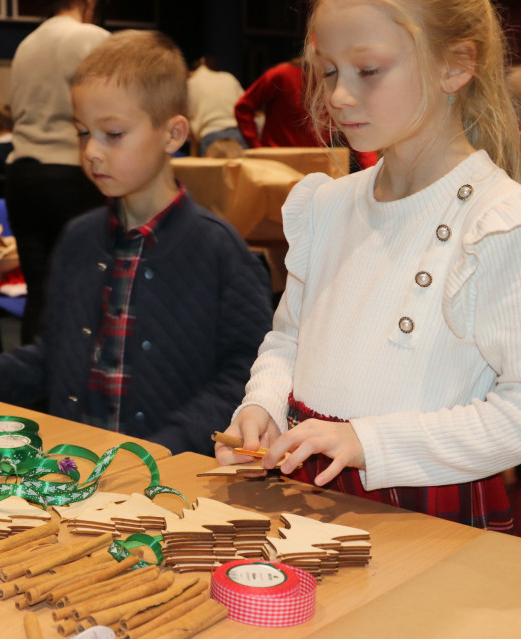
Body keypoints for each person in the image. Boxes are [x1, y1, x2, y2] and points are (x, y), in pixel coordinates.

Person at [215, 0, 521, 532]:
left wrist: (368, 442)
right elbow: (289, 338)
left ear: (455, 66)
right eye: (329, 71)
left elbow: (514, 414)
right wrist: (263, 405)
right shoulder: (326, 204)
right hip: (304, 486)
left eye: (369, 70)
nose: (337, 95)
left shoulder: (497, 224)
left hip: (422, 507)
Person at [0, 31, 273, 456]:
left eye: (113, 133)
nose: (91, 150)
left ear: (173, 134)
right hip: (74, 468)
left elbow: (248, 374)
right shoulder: (77, 240)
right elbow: (54, 356)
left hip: (168, 479)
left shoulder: (219, 251)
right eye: (81, 132)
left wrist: (169, 446)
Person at [5, 0, 108, 345]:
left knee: (39, 294)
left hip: (21, 178)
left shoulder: (25, 45)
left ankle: (34, 379)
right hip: (69, 177)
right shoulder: (89, 37)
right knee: (83, 293)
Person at [234, 58, 378, 170]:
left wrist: (373, 170)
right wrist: (257, 147)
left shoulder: (341, 84)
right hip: (277, 161)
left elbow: (355, 125)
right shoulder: (282, 75)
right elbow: (243, 108)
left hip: (315, 162)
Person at [186, 56, 247, 154]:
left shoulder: (192, 83)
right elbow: (245, 105)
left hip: (210, 135)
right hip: (238, 134)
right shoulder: (229, 77)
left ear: (192, 72)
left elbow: (186, 115)